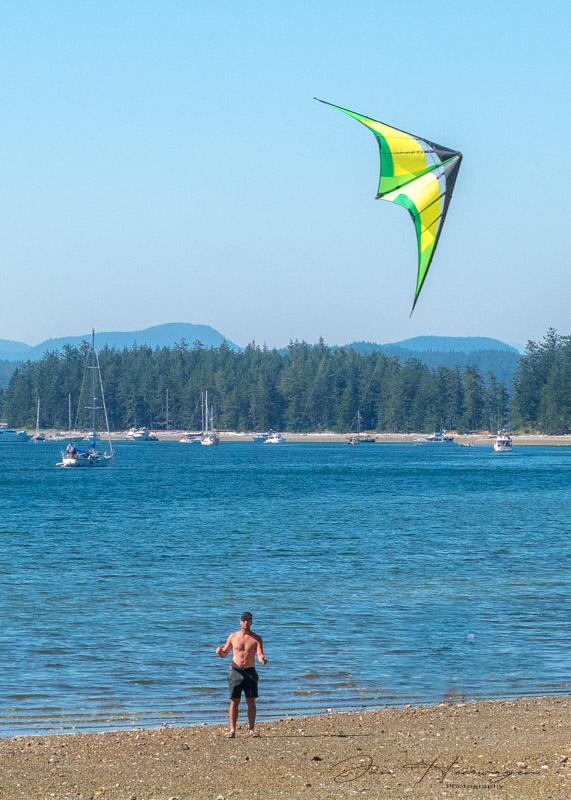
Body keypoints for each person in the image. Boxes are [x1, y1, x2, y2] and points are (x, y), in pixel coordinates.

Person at [215, 611, 268, 738]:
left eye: (248, 620)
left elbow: (260, 654)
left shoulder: (256, 638)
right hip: (236, 671)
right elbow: (225, 654)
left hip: (250, 672)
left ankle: (251, 730)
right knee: (235, 701)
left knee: (251, 701)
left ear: (251, 622)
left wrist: (262, 660)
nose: (246, 622)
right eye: (244, 620)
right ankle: (232, 730)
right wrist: (219, 652)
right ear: (240, 622)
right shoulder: (233, 636)